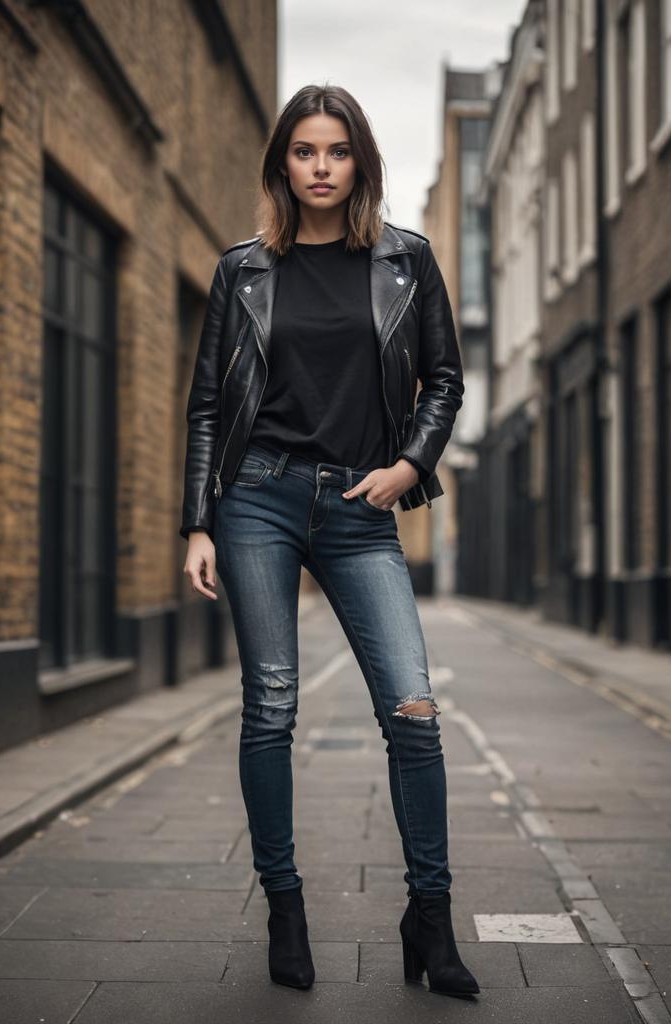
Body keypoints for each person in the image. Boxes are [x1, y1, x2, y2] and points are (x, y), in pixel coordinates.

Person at [179, 83, 477, 999]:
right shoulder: (243, 270)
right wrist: (198, 520)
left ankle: (429, 916)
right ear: (282, 164)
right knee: (271, 707)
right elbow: (207, 406)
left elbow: (443, 381)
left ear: (361, 163)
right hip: (258, 501)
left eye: (336, 152)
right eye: (303, 152)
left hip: (360, 508)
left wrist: (409, 466)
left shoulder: (406, 262)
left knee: (414, 711)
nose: (320, 167)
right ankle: (286, 905)